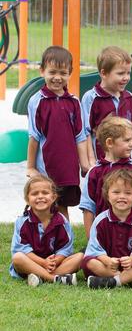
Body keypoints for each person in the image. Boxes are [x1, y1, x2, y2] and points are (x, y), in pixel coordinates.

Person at [27, 46, 90, 219]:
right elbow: (34, 136)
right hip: (45, 167)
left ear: (70, 73)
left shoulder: (74, 102)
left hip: (68, 168)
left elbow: (80, 136)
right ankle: (41, 242)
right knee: (44, 206)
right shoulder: (36, 101)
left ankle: (64, 244)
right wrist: (31, 167)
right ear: (42, 71)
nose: (57, 77)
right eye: (52, 72)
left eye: (63, 73)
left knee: (63, 208)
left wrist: (85, 164)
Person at [79, 116, 132, 238]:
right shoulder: (94, 172)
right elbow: (88, 208)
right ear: (110, 142)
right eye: (127, 140)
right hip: (103, 235)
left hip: (131, 234)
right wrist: (91, 240)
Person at [83, 169, 132, 289]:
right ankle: (130, 280)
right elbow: (94, 248)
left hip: (131, 265)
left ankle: (113, 282)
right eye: (116, 192)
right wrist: (107, 260)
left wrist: (131, 260)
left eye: (128, 193)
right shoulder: (100, 220)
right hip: (109, 265)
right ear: (107, 195)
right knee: (89, 261)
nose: (122, 197)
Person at [10, 175, 83, 286]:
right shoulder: (22, 222)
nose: (40, 197)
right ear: (27, 199)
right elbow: (22, 249)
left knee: (80, 257)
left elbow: (65, 248)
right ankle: (54, 279)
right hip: (30, 264)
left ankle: (40, 278)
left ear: (53, 197)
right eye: (35, 194)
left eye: (45, 193)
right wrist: (43, 262)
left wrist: (54, 262)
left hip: (54, 265)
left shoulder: (61, 221)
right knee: (17, 258)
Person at [81, 46, 132, 165]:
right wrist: (91, 159)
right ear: (104, 73)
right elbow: (86, 131)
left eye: (128, 73)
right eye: (120, 73)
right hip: (102, 160)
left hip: (126, 160)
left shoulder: (128, 97)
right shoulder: (91, 98)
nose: (126, 78)